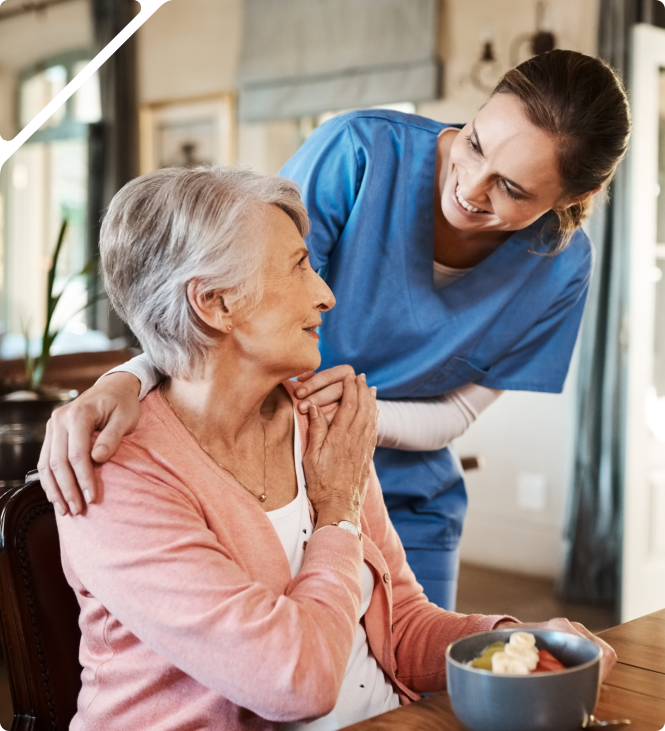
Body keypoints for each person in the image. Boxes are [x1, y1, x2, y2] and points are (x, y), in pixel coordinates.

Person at [39, 50, 631, 611]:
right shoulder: (360, 153)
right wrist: (128, 377)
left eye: (512, 188)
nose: (470, 188)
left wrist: (353, 424)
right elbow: (222, 294)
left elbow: (458, 415)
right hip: (268, 471)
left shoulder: (561, 268)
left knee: (414, 690)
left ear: (575, 197)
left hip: (407, 494)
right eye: (474, 144)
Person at [54, 166, 615, 730]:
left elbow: (400, 627)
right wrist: (338, 513)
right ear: (216, 304)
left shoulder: (319, 423)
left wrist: (513, 643)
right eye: (300, 267)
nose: (326, 295)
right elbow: (296, 681)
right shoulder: (113, 472)